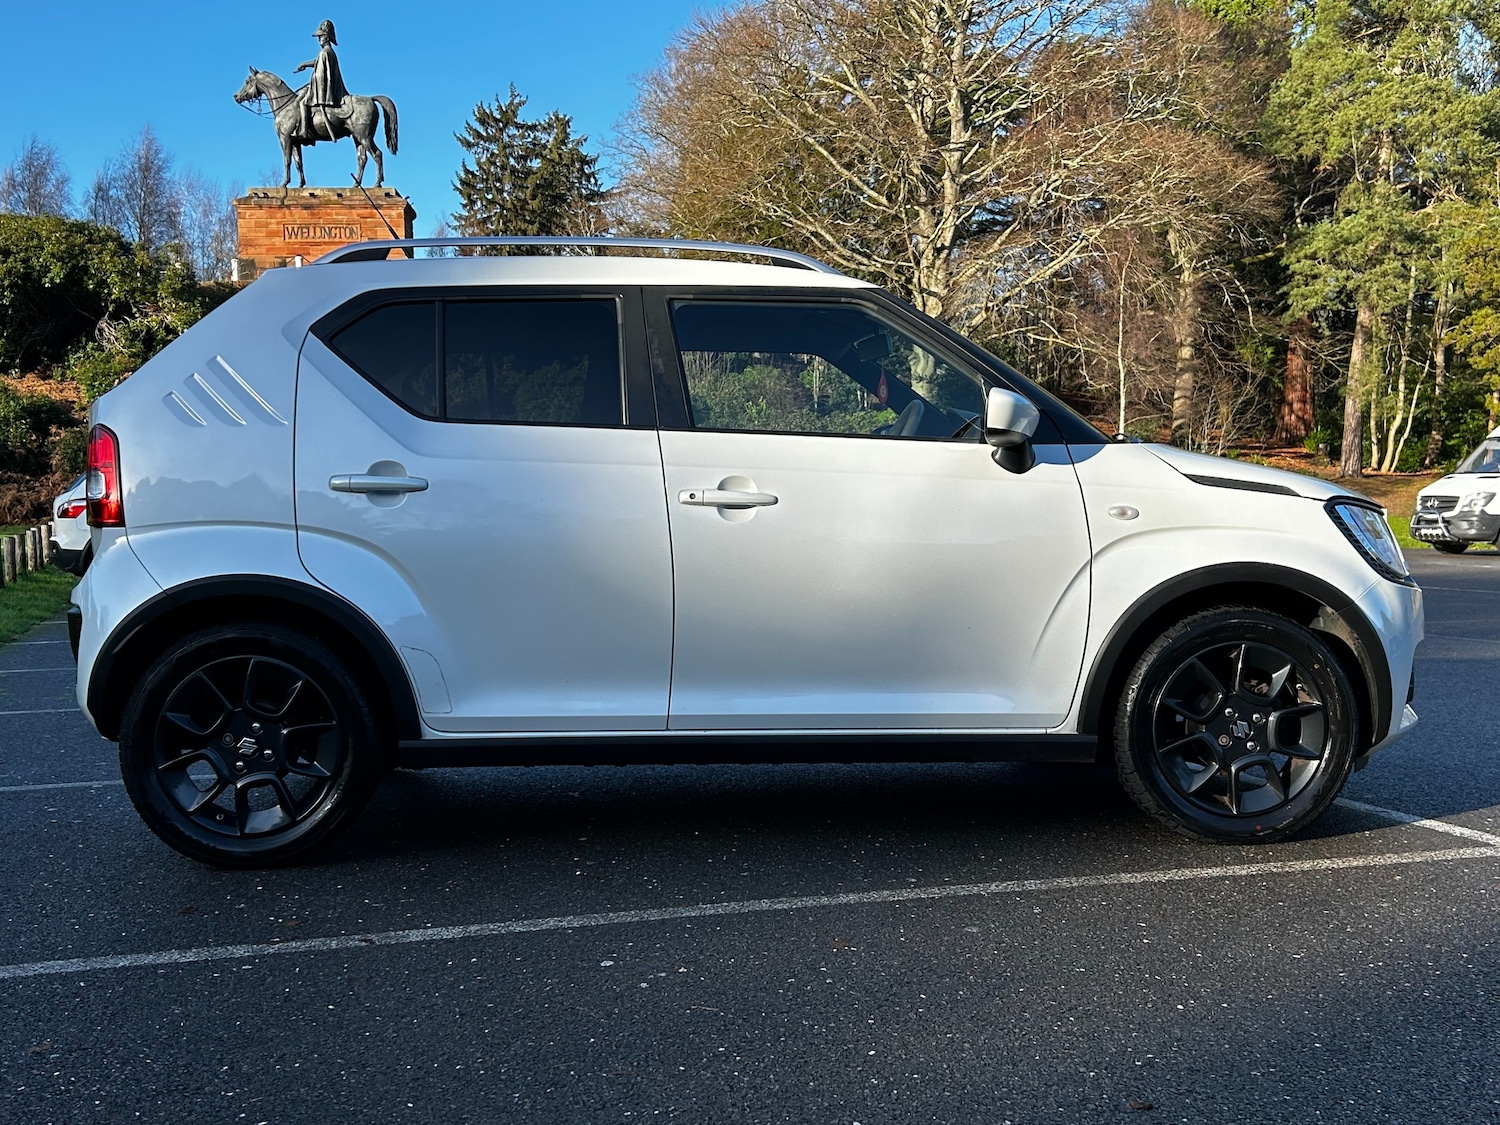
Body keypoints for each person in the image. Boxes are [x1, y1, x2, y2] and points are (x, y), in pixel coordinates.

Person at [296, 19, 349, 142]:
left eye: (320, 36)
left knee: (302, 103)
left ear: (326, 37)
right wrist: (305, 64)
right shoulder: (328, 52)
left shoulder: (324, 53)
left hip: (322, 89)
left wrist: (313, 86)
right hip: (323, 86)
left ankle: (304, 130)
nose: (318, 39)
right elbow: (318, 63)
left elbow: (320, 76)